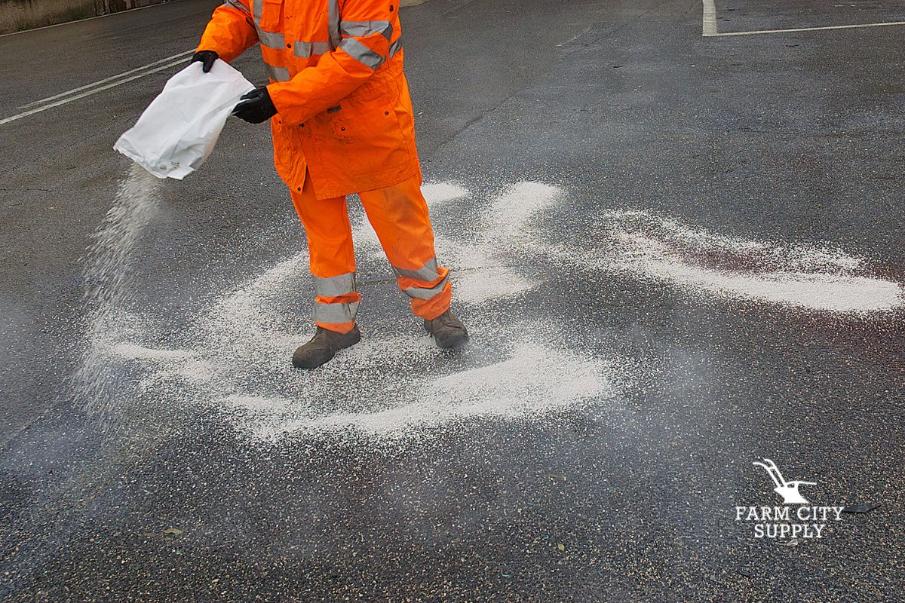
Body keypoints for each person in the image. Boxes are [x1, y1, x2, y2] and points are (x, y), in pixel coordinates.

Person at [193, 0, 468, 369]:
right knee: (325, 235)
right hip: (303, 130)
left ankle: (437, 312)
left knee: (401, 225)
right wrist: (214, 45)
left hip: (367, 125)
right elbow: (241, 11)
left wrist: (279, 99)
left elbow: (357, 57)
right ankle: (336, 326)